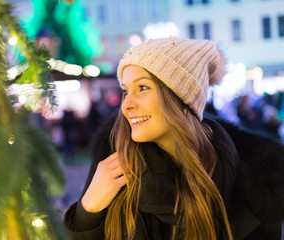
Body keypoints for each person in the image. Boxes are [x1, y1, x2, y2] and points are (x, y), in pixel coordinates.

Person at [64, 38, 284, 240]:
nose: (126, 105)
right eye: (125, 91)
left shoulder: (256, 189)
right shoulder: (114, 168)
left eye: (142, 87)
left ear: (180, 98)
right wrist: (87, 212)